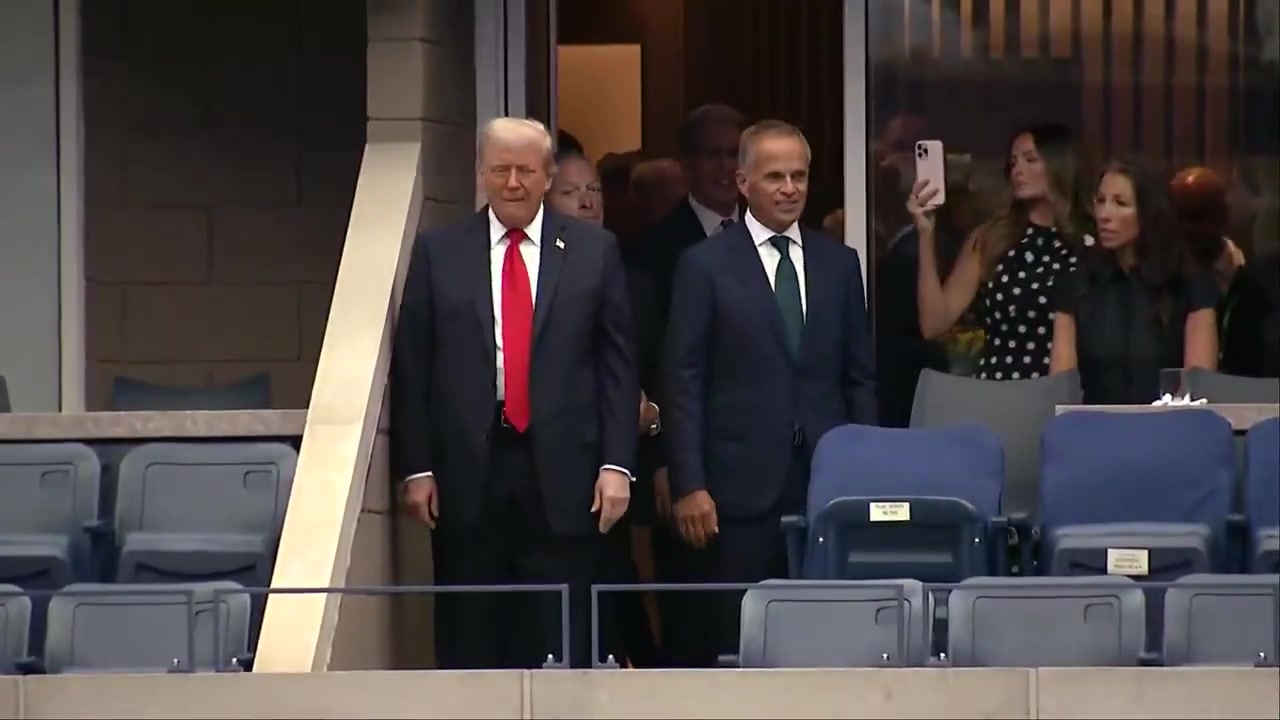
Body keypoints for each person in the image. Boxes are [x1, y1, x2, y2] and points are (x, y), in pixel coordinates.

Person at [390, 117, 638, 670]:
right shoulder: (440, 252)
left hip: (565, 473)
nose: (513, 182)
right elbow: (414, 366)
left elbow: (617, 367)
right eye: (500, 169)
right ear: (480, 173)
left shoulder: (593, 251)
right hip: (467, 472)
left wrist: (617, 464)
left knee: (557, 636)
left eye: (526, 170)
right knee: (470, 639)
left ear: (548, 176)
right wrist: (417, 468)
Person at [662, 120, 877, 665]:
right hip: (736, 493)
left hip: (825, 488)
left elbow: (860, 379)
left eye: (799, 176)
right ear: (742, 181)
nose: (790, 188)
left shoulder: (839, 263)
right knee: (740, 646)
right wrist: (689, 482)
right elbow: (683, 380)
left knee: (828, 647)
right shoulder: (705, 265)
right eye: (775, 175)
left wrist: (867, 471)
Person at [909, 122, 1093, 380]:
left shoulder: (1088, 244)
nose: (1018, 169)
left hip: (1067, 394)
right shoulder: (992, 238)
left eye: (1030, 160)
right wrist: (926, 235)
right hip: (999, 390)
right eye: (1014, 162)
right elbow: (933, 323)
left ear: (1059, 165)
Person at [1049, 159, 1219, 403]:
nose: (1104, 215)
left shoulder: (1190, 285)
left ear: (1149, 212)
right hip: (1092, 431)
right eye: (1100, 201)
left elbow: (1198, 390)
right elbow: (1061, 391)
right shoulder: (1077, 284)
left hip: (1168, 430)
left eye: (1120, 203)